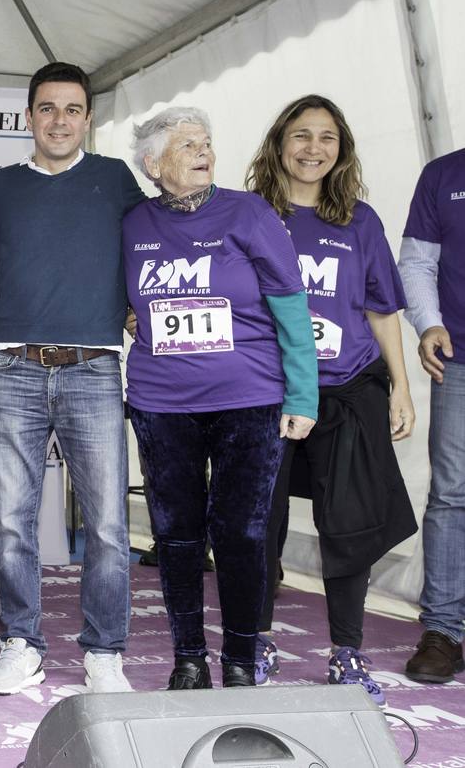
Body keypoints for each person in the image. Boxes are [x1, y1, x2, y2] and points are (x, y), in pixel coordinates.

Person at [122, 106, 317, 689]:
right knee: (176, 532)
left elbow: (291, 304)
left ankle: (238, 658)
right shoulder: (132, 223)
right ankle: (188, 659)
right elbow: (108, 292)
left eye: (206, 142)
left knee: (241, 530)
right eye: (187, 146)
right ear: (154, 164)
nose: (203, 153)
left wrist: (302, 395)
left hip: (249, 400)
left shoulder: (250, 212)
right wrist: (127, 313)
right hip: (162, 403)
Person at [0, 62, 144, 696]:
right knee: (11, 522)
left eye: (71, 109)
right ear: (28, 117)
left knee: (106, 523)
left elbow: (153, 244)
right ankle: (22, 644)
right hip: (15, 366)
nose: (58, 120)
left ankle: (105, 652)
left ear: (88, 119)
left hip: (95, 368)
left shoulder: (115, 179)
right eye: (46, 108)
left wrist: (136, 304)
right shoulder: (0, 187)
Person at [246, 95, 416, 705]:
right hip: (267, 394)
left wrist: (400, 388)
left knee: (349, 526)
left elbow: (380, 308)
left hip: (348, 391)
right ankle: (255, 639)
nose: (312, 148)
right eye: (300, 135)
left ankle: (347, 652)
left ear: (341, 150)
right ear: (278, 143)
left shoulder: (358, 220)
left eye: (326, 138)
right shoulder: (250, 215)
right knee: (257, 524)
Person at [400, 143, 465, 683]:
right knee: (452, 494)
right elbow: (418, 262)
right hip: (459, 360)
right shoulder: (443, 174)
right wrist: (428, 324)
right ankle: (443, 632)